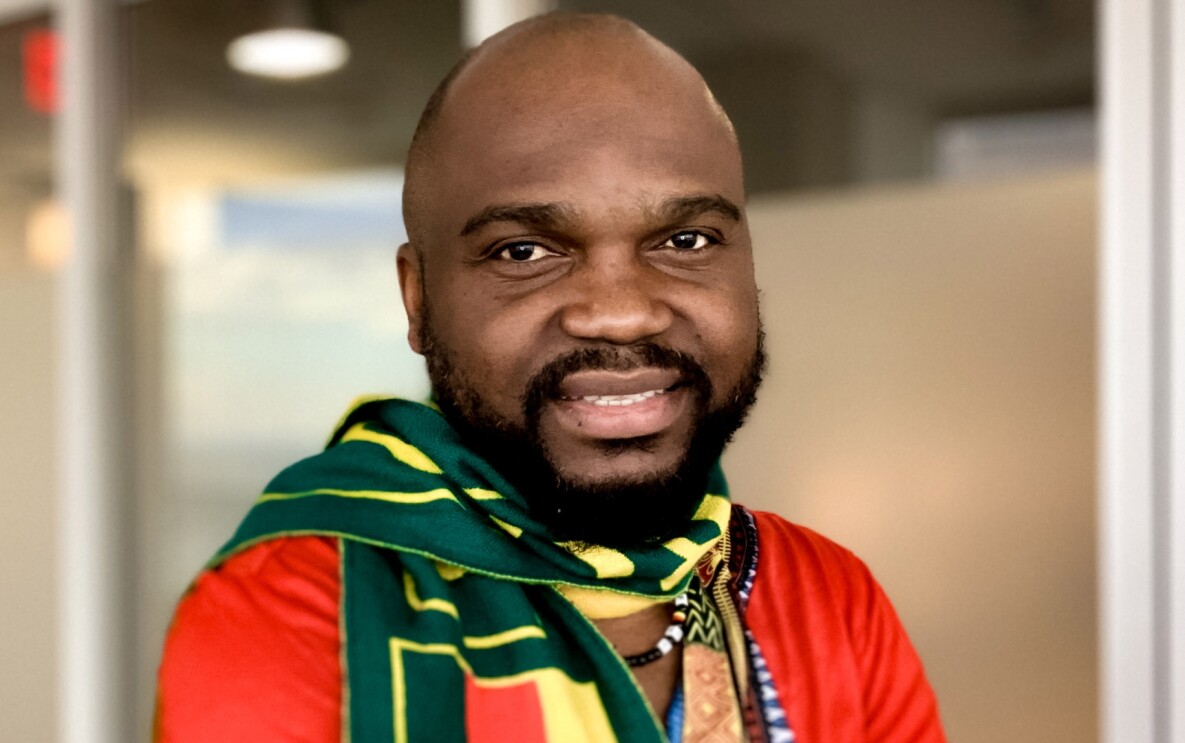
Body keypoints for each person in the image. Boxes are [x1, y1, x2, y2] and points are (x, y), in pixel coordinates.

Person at [155, 13, 945, 743]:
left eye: (686, 238)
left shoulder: (827, 596)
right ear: (419, 299)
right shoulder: (297, 611)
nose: (621, 313)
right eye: (525, 252)